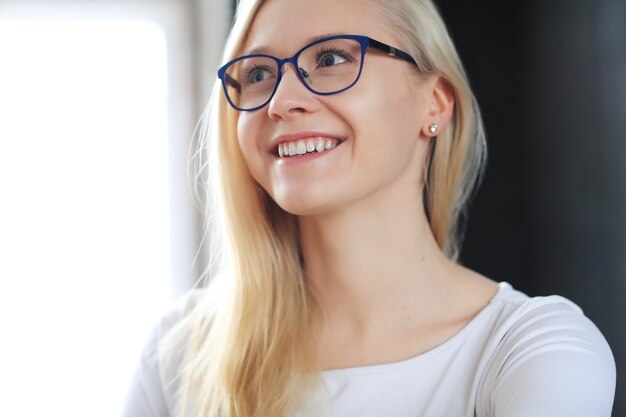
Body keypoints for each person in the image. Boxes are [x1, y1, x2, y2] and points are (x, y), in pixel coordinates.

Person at [123, 0, 616, 416]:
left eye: (332, 58)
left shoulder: (534, 352)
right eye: (257, 73)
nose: (281, 100)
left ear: (435, 104)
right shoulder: (180, 352)